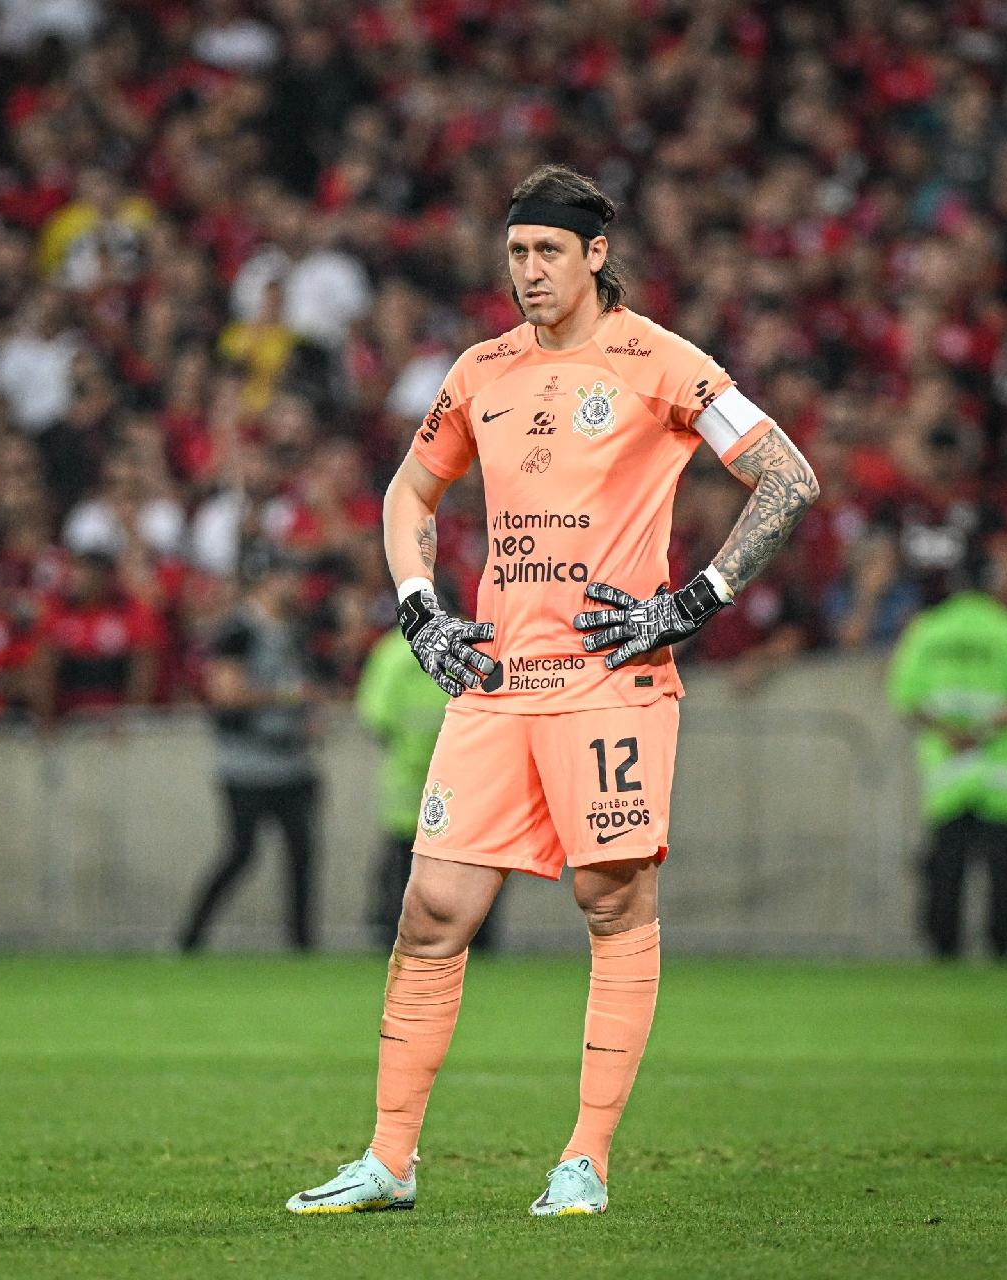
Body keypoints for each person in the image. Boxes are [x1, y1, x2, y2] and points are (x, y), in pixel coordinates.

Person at [285, 165, 819, 1218]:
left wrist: (694, 600)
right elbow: (408, 490)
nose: (528, 272)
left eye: (547, 253)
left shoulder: (661, 360)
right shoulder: (482, 369)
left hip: (611, 681)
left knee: (610, 901)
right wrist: (416, 605)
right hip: (495, 682)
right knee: (431, 909)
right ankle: (390, 1159)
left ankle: (586, 1159)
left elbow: (788, 474)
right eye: (516, 252)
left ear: (595, 255)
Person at [886, 564, 1007, 962]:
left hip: (947, 775)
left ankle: (944, 950)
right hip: (1003, 777)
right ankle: (1002, 950)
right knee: (1004, 875)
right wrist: (983, 731)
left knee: (945, 872)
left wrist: (950, 732)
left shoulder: (928, 630)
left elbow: (904, 698)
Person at [179, 546, 322, 952]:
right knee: (241, 852)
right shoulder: (236, 632)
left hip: (292, 760)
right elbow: (226, 694)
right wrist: (290, 697)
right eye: (288, 577)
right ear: (268, 580)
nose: (295, 586)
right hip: (246, 762)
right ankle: (191, 935)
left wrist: (308, 714)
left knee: (302, 854)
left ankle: (301, 945)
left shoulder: (294, 630)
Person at [356, 625, 498, 951]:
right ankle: (477, 938)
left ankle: (394, 934)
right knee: (474, 862)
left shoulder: (394, 648)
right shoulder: (477, 641)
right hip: (469, 776)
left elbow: (375, 715)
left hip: (409, 776)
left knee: (405, 863)